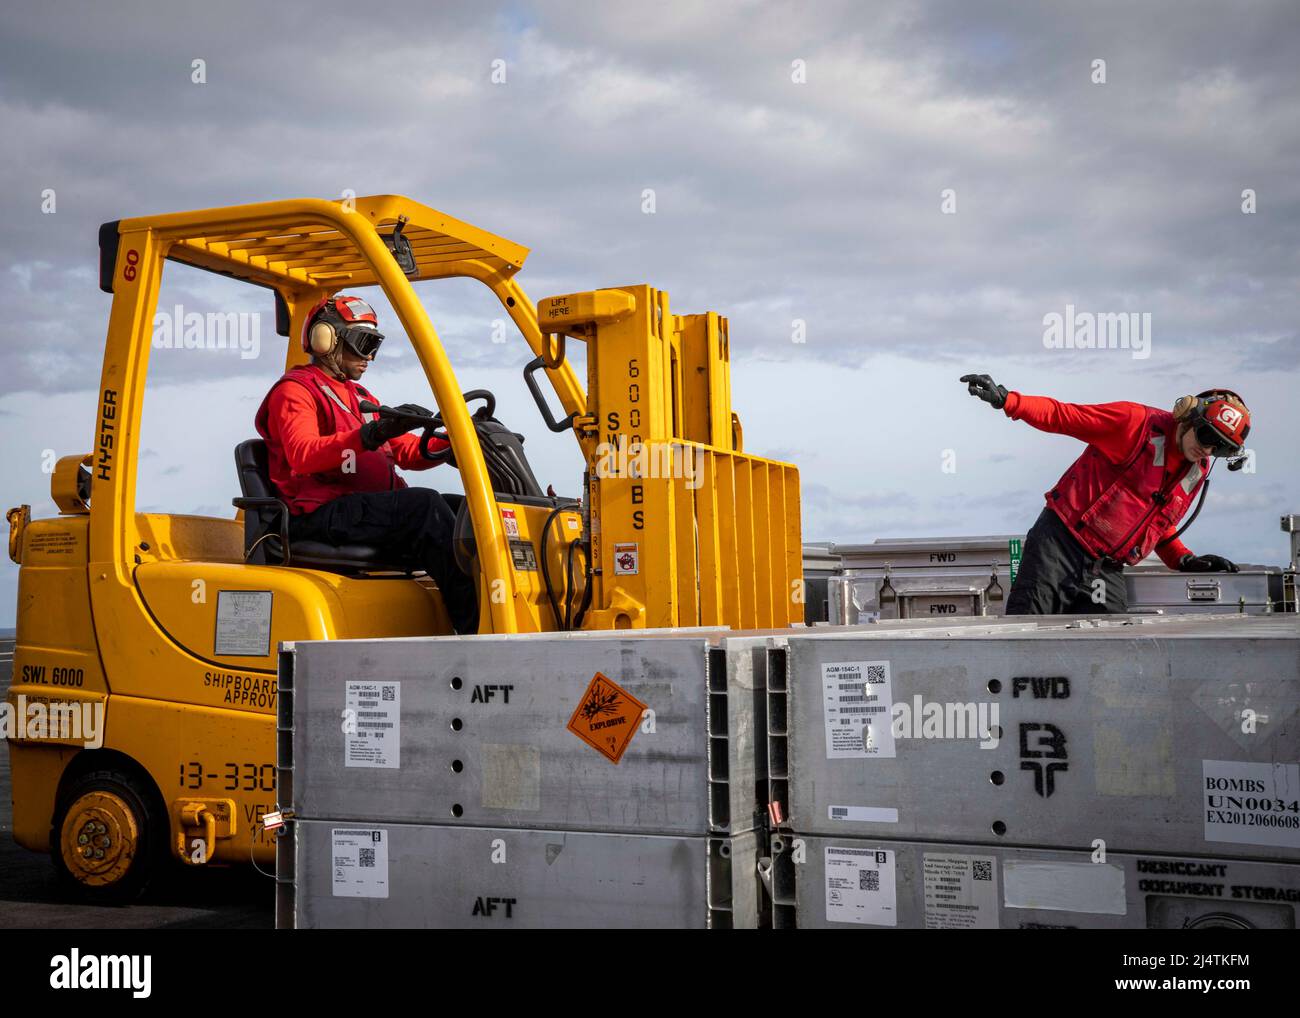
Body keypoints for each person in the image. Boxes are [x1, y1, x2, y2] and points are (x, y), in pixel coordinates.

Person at [254, 294, 479, 634]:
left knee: (466, 512)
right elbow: (303, 453)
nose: (370, 356)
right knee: (425, 506)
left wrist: (457, 441)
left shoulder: (360, 397)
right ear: (326, 339)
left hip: (360, 511)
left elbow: (407, 452)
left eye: (375, 344)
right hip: (319, 514)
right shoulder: (296, 391)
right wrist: (369, 434)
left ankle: (486, 609)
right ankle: (476, 629)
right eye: (363, 343)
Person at [960, 374, 1251, 615]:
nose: (1209, 450)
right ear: (1189, 416)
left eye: (1221, 448)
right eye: (1208, 437)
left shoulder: (1195, 471)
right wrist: (1008, 400)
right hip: (1058, 548)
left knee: (1110, 657)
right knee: (1025, 640)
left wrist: (1184, 560)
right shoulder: (1134, 422)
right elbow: (1065, 416)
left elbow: (1157, 522)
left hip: (1105, 570)